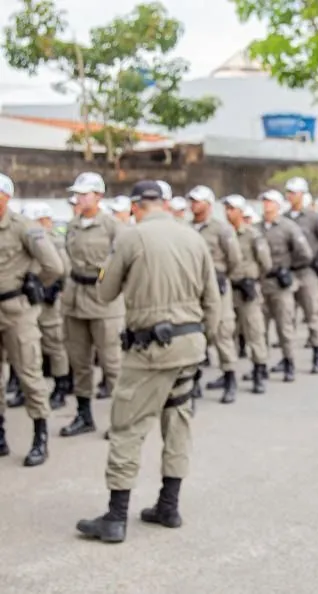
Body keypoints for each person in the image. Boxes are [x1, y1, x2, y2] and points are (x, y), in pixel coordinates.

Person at [76, 180, 220, 544]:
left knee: (127, 426)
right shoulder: (194, 238)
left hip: (149, 351)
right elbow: (213, 301)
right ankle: (168, 506)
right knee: (178, 423)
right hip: (189, 346)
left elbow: (105, 293)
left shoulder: (130, 237)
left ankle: (115, 516)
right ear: (166, 204)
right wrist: (206, 341)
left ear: (137, 206)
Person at [0, 174, 65, 466]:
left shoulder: (24, 228)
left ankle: (40, 437)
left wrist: (34, 284)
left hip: (17, 311)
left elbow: (54, 265)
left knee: (29, 374)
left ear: (5, 196)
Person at [60, 172, 125, 438]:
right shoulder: (73, 224)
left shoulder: (112, 226)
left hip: (103, 300)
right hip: (75, 298)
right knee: (80, 362)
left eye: (84, 193)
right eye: (77, 193)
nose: (79, 198)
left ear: (98, 195)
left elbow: (123, 261)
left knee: (112, 363)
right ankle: (84, 415)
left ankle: (121, 420)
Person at [188, 185, 242, 404]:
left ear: (208, 204)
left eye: (197, 201)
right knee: (195, 331)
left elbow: (234, 259)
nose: (193, 205)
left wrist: (221, 276)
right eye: (191, 201)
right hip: (193, 287)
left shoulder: (221, 229)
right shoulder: (187, 228)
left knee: (222, 331)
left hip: (217, 286)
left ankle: (230, 378)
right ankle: (194, 379)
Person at [256, 190, 313, 382]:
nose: (267, 206)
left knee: (284, 327)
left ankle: (289, 362)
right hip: (261, 283)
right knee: (259, 328)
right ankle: (260, 365)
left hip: (281, 284)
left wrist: (290, 270)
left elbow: (304, 253)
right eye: (264, 202)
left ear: (278, 206)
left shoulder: (289, 227)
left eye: (270, 202)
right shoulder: (256, 228)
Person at [222, 194, 271, 395]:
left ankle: (259, 371)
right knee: (225, 333)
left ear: (241, 212)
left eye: (232, 209)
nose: (228, 212)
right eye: (226, 208)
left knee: (254, 331)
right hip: (227, 289)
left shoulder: (252, 235)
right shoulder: (223, 233)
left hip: (247, 289)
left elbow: (266, 263)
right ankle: (228, 374)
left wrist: (253, 278)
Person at [27, 202, 71, 410]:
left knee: (55, 344)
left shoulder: (54, 241)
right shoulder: (28, 240)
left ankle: (61, 387)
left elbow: (63, 270)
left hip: (49, 299)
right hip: (31, 297)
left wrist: (55, 289)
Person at [283, 177, 318, 374]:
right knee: (287, 317)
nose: (290, 196)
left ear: (302, 194)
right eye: (288, 192)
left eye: (294, 192)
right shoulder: (283, 218)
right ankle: (288, 358)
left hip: (307, 270)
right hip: (288, 272)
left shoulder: (313, 217)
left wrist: (317, 255)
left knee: (312, 313)